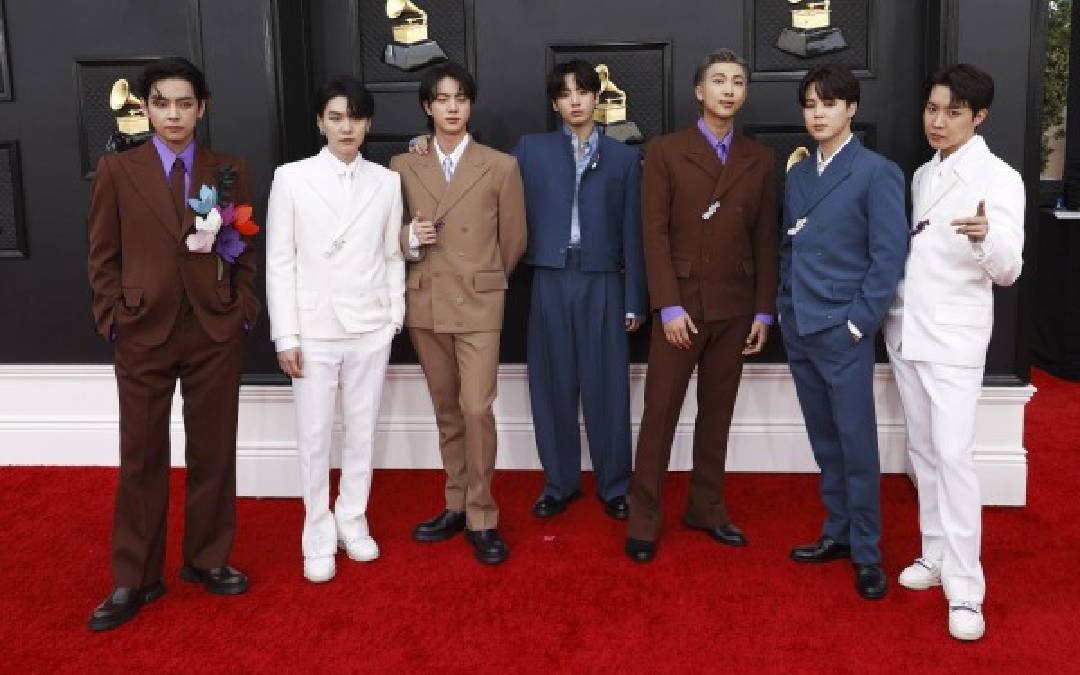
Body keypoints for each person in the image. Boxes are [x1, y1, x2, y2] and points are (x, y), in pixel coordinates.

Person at [86, 56, 259, 631]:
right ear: (146, 108)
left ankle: (208, 559)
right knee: (141, 456)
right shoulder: (118, 169)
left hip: (214, 329)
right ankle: (135, 577)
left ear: (201, 107)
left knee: (214, 449)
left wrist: (241, 310)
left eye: (185, 103)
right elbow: (102, 254)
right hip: (142, 330)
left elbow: (245, 247)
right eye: (161, 103)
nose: (174, 115)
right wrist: (113, 317)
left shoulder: (227, 170)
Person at [885, 63, 1023, 640]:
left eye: (953, 113)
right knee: (923, 451)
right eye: (932, 109)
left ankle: (966, 589)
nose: (938, 122)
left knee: (954, 458)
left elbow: (1010, 269)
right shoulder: (923, 174)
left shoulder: (1000, 178)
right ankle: (935, 551)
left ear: (979, 116)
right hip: (907, 330)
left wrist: (986, 239)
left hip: (956, 339)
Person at [625, 49, 778, 563]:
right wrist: (667, 306)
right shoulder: (665, 151)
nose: (728, 90)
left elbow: (765, 239)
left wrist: (763, 311)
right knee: (660, 414)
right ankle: (644, 517)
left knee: (718, 413)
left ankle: (707, 508)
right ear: (699, 91)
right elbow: (653, 235)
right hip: (681, 308)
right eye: (718, 81)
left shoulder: (760, 159)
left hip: (735, 307)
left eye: (737, 81)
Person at [266, 76, 405, 583]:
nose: (347, 127)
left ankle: (353, 518)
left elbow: (391, 254)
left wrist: (393, 316)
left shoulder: (386, 182)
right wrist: (287, 335)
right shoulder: (291, 178)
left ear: (368, 124)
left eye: (356, 118)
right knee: (314, 436)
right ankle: (317, 533)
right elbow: (280, 261)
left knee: (362, 432)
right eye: (337, 117)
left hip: (370, 325)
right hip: (314, 328)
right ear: (320, 122)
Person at [778, 63, 908, 599]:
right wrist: (784, 306)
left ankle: (868, 553)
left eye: (828, 104)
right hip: (800, 324)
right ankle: (838, 532)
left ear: (851, 108)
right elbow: (788, 246)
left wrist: (859, 323)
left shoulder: (877, 172)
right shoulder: (797, 175)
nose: (817, 114)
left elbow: (888, 256)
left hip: (843, 329)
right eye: (810, 104)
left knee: (856, 443)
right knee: (825, 441)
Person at [390, 62, 527, 565]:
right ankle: (455, 504)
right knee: (446, 410)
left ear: (470, 105)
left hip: (479, 303)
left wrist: (483, 279)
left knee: (475, 409)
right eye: (442, 99)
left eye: (461, 98)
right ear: (427, 106)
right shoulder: (403, 165)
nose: (452, 108)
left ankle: (482, 515)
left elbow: (513, 240)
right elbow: (385, 232)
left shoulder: (500, 166)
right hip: (426, 300)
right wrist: (409, 239)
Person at [510, 59, 646, 521]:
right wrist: (424, 146)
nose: (575, 101)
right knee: (552, 385)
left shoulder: (625, 158)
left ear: (595, 99)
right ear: (555, 103)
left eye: (582, 92)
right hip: (550, 276)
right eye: (565, 94)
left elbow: (634, 233)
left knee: (608, 385)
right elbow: (486, 179)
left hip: (604, 279)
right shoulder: (531, 151)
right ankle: (559, 483)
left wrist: (635, 299)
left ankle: (615, 485)